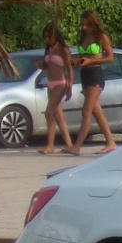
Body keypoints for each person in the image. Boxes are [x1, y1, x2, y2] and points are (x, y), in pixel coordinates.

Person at [70, 9, 116, 155]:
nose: (84, 28)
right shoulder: (84, 37)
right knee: (96, 112)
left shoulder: (101, 37)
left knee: (86, 112)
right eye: (82, 25)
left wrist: (91, 61)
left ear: (93, 24)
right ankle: (111, 142)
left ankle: (77, 146)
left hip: (95, 75)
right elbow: (84, 57)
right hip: (85, 74)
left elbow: (110, 58)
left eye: (87, 25)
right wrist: (76, 62)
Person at [36, 23, 75, 155]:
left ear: (55, 36)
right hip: (50, 83)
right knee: (58, 116)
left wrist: (69, 86)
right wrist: (39, 65)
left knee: (49, 113)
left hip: (60, 83)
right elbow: (48, 67)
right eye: (45, 37)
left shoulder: (63, 49)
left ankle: (50, 145)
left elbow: (69, 68)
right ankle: (69, 145)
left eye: (49, 36)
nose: (47, 39)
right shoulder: (49, 49)